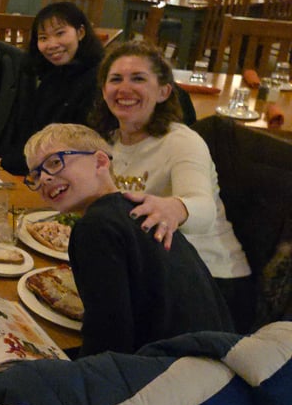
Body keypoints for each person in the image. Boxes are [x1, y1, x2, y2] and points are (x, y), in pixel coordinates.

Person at [23, 123, 234, 357]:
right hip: (215, 360)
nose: (44, 179)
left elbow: (108, 343)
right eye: (36, 175)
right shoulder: (137, 212)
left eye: (55, 162)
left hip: (172, 376)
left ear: (101, 162)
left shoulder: (96, 227)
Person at [89, 41, 254, 332]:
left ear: (164, 91)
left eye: (138, 78)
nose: (124, 88)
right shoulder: (109, 142)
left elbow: (203, 209)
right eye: (115, 79)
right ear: (104, 91)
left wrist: (176, 207)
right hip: (156, 272)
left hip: (213, 282)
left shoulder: (181, 141)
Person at [1, 2, 104, 175]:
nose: (52, 44)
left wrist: (13, 163)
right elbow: (30, 128)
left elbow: (71, 144)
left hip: (65, 172)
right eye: (43, 38)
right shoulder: (50, 75)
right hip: (34, 166)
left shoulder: (95, 80)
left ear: (80, 32)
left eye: (60, 33)